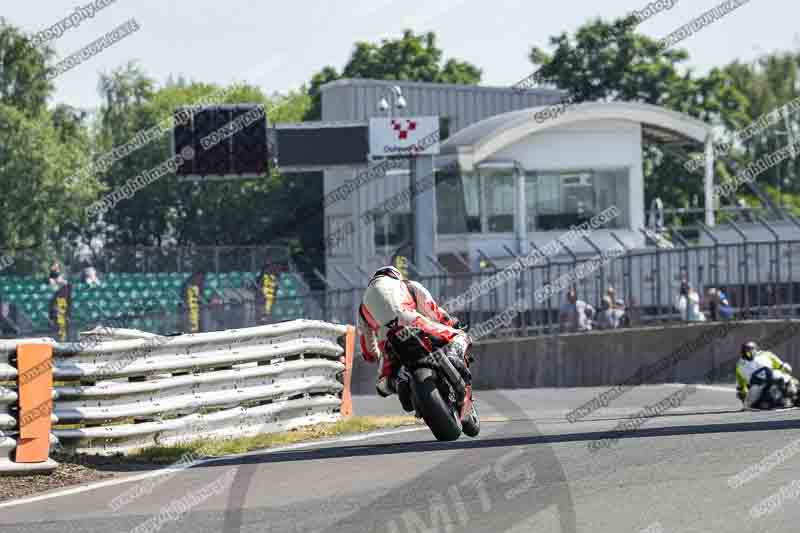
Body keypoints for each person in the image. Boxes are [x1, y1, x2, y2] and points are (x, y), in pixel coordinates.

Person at [357, 266, 468, 398]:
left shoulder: (362, 308)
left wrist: (377, 356)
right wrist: (450, 323)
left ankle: (397, 383)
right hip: (413, 322)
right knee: (461, 336)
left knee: (382, 385)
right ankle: (453, 355)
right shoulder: (406, 285)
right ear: (395, 275)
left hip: (388, 342)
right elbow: (434, 312)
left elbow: (369, 352)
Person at [736, 341, 799, 407]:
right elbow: (740, 382)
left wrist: (785, 366)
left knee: (788, 379)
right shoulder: (740, 364)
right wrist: (742, 392)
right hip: (756, 384)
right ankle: (770, 402)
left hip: (772, 376)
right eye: (745, 351)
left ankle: (794, 394)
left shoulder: (766, 354)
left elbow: (780, 364)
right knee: (752, 401)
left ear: (755, 349)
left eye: (749, 351)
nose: (747, 353)